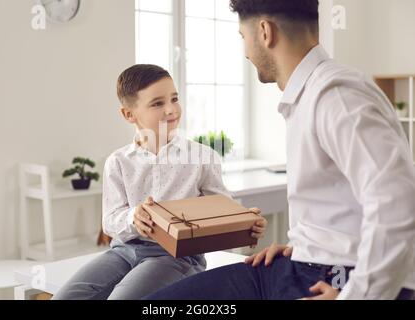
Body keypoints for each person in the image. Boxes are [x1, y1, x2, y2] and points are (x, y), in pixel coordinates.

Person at [144, 0, 415, 300]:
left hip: (339, 277)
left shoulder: (335, 96)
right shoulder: (309, 95)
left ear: (264, 31)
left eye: (242, 37)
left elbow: (398, 203)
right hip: (305, 264)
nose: (245, 51)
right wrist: (307, 246)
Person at [52, 64, 267, 300]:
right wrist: (133, 216)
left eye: (174, 99)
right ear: (128, 114)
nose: (171, 109)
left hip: (177, 257)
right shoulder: (118, 161)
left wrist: (244, 221)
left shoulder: (202, 157)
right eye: (157, 103)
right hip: (124, 251)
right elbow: (110, 222)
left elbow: (223, 208)